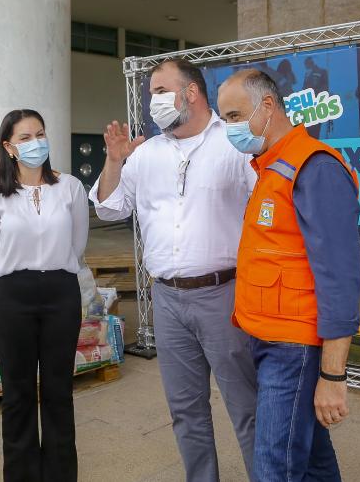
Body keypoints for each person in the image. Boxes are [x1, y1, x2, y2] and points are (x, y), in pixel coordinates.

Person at [92, 58, 258, 481]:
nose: (153, 102)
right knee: (185, 410)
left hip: (224, 295)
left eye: (161, 92)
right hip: (165, 298)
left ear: (192, 93)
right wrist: (114, 161)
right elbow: (109, 208)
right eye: (151, 94)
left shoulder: (234, 144)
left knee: (247, 407)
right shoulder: (145, 154)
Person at [218, 69, 360, 482]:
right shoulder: (269, 168)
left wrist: (332, 374)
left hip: (292, 348)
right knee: (313, 459)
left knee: (273, 467)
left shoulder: (314, 167)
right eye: (224, 119)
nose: (229, 128)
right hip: (266, 339)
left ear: (267, 106)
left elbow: (340, 278)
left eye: (234, 116)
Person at [0, 109, 89, 482]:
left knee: (58, 390)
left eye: (40, 134)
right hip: (13, 297)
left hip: (61, 293)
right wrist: (17, 275)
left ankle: (59, 473)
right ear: (9, 147)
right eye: (25, 138)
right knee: (17, 393)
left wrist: (51, 268)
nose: (35, 143)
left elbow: (77, 245)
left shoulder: (69, 187)